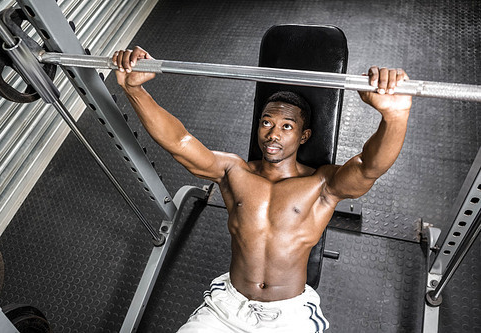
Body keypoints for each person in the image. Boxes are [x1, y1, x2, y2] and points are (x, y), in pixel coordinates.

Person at [112, 46, 412, 332]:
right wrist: (134, 90)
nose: (272, 134)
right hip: (227, 307)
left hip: (289, 315)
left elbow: (369, 167)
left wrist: (394, 116)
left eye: (286, 126)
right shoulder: (233, 171)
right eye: (267, 122)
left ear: (304, 135)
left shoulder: (321, 185)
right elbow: (180, 142)